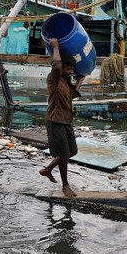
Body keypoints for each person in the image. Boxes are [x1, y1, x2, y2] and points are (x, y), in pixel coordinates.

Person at [39, 37, 84, 198]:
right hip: (55, 120)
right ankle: (65, 185)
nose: (71, 72)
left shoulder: (65, 81)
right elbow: (57, 65)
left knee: (71, 152)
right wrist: (55, 47)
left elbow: (71, 95)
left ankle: (48, 169)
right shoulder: (54, 79)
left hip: (66, 120)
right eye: (68, 69)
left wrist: (80, 79)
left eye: (72, 69)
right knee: (64, 155)